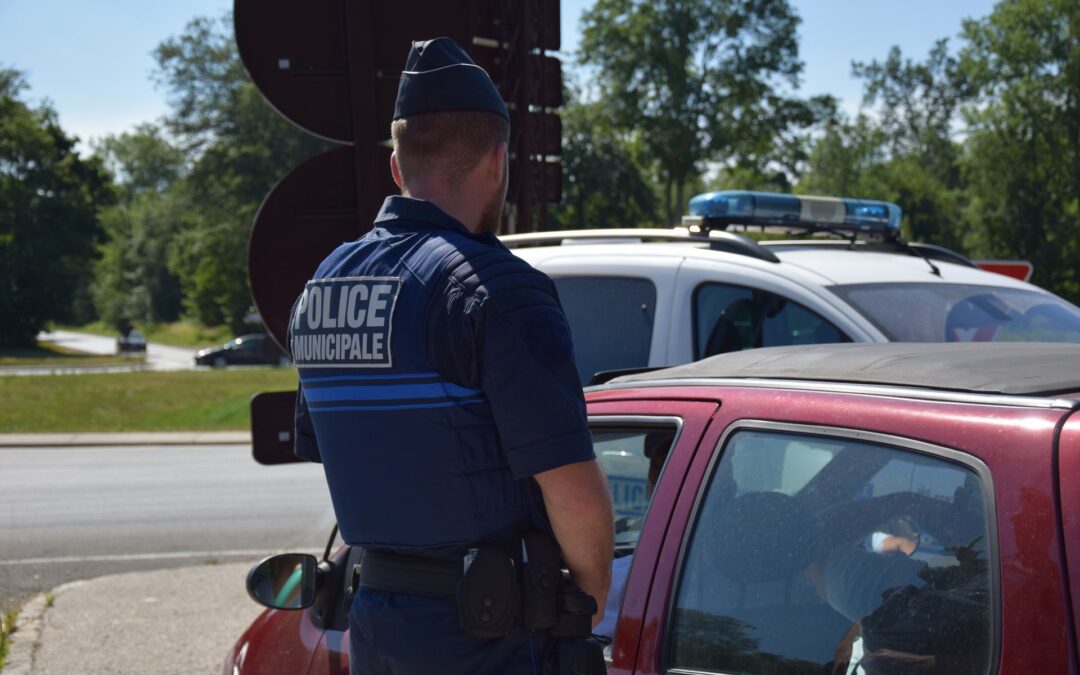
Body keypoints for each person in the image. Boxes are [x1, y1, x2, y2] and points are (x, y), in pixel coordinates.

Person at [288, 37, 614, 675]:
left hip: (377, 632)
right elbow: (571, 490)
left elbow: (351, 452)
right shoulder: (501, 290)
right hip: (488, 644)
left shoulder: (323, 286)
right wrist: (588, 598)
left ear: (396, 165)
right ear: (497, 160)